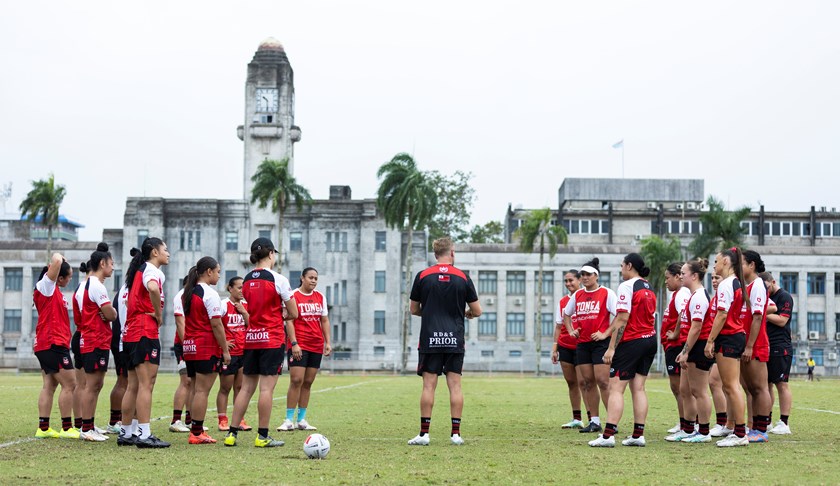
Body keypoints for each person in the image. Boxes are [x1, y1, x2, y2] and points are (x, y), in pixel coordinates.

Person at [224, 237, 297, 448]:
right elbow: (293, 312)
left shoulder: (246, 280)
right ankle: (262, 436)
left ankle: (231, 433)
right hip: (271, 339)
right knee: (266, 389)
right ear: (271, 254)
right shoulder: (278, 279)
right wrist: (279, 313)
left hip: (251, 339)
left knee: (246, 388)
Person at [408, 237, 481, 446]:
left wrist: (429, 313)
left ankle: (424, 435)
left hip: (430, 338)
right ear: (452, 253)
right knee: (455, 386)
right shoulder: (463, 277)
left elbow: (413, 309)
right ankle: (456, 434)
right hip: (454, 339)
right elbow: (478, 310)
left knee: (428, 386)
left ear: (435, 254)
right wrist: (466, 313)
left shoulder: (422, 276)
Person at [589, 253, 657, 447]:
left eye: (621, 266)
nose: (620, 270)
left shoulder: (626, 286)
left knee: (616, 388)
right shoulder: (648, 286)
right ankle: (638, 435)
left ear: (629, 266)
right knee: (639, 388)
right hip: (650, 340)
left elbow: (622, 318)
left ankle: (608, 435)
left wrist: (611, 347)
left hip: (633, 341)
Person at [120, 237, 171, 448]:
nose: (168, 253)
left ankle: (126, 431)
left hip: (131, 333)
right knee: (146, 385)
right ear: (154, 252)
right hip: (144, 331)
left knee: (133, 385)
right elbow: (152, 288)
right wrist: (159, 314)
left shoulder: (138, 271)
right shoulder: (152, 270)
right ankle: (144, 434)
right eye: (165, 249)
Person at [563, 258, 617, 434]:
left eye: (588, 274)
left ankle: (612, 422)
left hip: (600, 344)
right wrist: (571, 330)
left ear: (596, 276)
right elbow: (566, 314)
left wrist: (605, 334)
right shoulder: (578, 295)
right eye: (583, 275)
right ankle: (594, 421)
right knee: (587, 382)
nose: (585, 277)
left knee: (603, 381)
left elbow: (619, 317)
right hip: (583, 344)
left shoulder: (606, 293)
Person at [182, 257, 230, 444]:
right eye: (218, 271)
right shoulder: (209, 294)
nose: (219, 275)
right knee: (202, 391)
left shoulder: (189, 292)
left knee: (195, 389)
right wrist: (225, 350)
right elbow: (216, 324)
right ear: (209, 272)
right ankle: (196, 433)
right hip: (205, 347)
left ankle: (196, 429)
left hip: (190, 346)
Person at [277, 267, 332, 432]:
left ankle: (301, 420)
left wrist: (327, 342)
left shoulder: (320, 297)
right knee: (296, 380)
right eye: (310, 277)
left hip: (316, 344)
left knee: (308, 382)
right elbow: (289, 321)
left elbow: (324, 320)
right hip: (299, 345)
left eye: (316, 278)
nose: (314, 281)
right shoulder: (293, 296)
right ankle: (288, 420)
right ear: (302, 278)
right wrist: (294, 343)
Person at [704, 247, 748, 447]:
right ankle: (735, 429)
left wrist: (710, 340)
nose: (715, 264)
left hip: (729, 336)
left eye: (717, 261)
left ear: (727, 262)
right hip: (734, 336)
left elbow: (722, 314)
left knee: (731, 386)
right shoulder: (736, 282)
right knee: (731, 386)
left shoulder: (727, 284)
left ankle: (740, 433)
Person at [32, 253, 79, 439]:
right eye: (68, 276)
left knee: (49, 385)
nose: (69, 280)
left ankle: (43, 428)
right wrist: (60, 256)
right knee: (70, 383)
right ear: (58, 276)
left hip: (48, 343)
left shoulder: (54, 291)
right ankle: (67, 428)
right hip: (52, 343)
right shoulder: (46, 286)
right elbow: (57, 260)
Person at [75, 243, 117, 442]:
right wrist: (111, 313)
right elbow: (110, 314)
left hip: (91, 338)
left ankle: (89, 424)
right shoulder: (96, 286)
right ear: (102, 263)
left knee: (95, 384)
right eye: (111, 263)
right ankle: (86, 428)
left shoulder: (82, 285)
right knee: (91, 385)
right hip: (95, 339)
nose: (113, 267)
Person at [674, 258, 714, 443]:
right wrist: (684, 350)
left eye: (683, 273)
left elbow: (696, 327)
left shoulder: (698, 296)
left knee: (699, 391)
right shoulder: (693, 295)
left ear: (694, 276)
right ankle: (688, 428)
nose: (680, 276)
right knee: (685, 389)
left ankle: (704, 431)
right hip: (692, 346)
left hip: (699, 346)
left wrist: (687, 350)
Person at [740, 250, 772, 443]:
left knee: (760, 388)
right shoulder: (748, 285)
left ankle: (761, 429)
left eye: (741, 264)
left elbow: (758, 316)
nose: (738, 268)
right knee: (751, 388)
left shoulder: (758, 285)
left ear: (752, 265)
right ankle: (754, 427)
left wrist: (750, 345)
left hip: (756, 344)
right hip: (746, 344)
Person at [760, 272, 794, 435]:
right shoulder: (766, 297)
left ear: (772, 282)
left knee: (782, 384)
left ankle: (784, 422)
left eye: (766, 288)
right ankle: (767, 420)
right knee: (766, 385)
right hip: (766, 345)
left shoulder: (784, 297)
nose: (765, 292)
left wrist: (764, 313)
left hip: (781, 346)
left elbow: (782, 320)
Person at [551, 269, 585, 429]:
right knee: (571, 382)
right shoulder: (563, 301)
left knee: (585, 382)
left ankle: (594, 418)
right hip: (565, 345)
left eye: (571, 280)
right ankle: (576, 418)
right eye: (566, 281)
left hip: (582, 346)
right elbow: (558, 326)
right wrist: (554, 347)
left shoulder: (586, 298)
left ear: (579, 280)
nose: (568, 284)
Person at [217, 276, 251, 432]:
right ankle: (222, 419)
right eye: (238, 287)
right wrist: (224, 344)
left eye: (243, 287)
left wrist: (244, 313)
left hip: (244, 352)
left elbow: (252, 325)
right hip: (229, 354)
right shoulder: (223, 304)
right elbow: (215, 325)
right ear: (230, 288)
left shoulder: (246, 305)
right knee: (225, 387)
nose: (241, 290)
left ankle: (240, 419)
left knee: (240, 387)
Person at [661, 262, 690, 435]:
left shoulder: (681, 294)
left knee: (680, 388)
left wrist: (675, 333)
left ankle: (686, 423)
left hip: (677, 345)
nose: (666, 281)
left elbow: (683, 313)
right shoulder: (677, 294)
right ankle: (684, 422)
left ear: (678, 276)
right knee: (678, 388)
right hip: (672, 346)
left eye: (667, 278)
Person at [706, 272, 731, 438]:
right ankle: (725, 422)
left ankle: (727, 423)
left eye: (717, 278)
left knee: (719, 382)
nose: (714, 281)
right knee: (718, 383)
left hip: (729, 341)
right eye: (713, 278)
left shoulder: (730, 290)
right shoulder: (715, 297)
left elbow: (769, 305)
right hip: (718, 342)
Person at [170, 275, 194, 434]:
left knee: (193, 382)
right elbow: (180, 323)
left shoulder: (193, 296)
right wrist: (186, 344)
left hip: (193, 344)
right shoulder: (181, 296)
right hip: (183, 344)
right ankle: (176, 420)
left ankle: (189, 420)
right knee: (185, 381)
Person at [107, 282, 130, 435]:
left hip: (123, 339)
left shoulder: (125, 287)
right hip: (123, 340)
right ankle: (115, 421)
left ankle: (121, 419)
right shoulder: (127, 289)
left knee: (127, 381)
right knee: (123, 381)